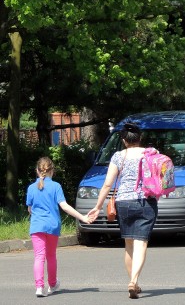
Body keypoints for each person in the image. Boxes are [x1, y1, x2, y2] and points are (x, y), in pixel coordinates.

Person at [88, 122, 157, 299]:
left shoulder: (118, 156)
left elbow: (107, 184)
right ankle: (133, 281)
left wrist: (97, 207)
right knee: (141, 243)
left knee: (128, 244)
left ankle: (134, 282)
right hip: (145, 201)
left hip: (123, 202)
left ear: (124, 140)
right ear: (140, 138)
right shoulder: (150, 153)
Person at [26, 157, 94, 297]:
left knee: (39, 256)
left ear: (37, 171)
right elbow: (64, 206)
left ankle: (39, 287)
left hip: (37, 226)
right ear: (52, 171)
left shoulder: (31, 188)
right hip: (52, 226)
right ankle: (52, 284)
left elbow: (30, 209)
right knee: (51, 256)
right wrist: (83, 218)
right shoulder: (56, 186)